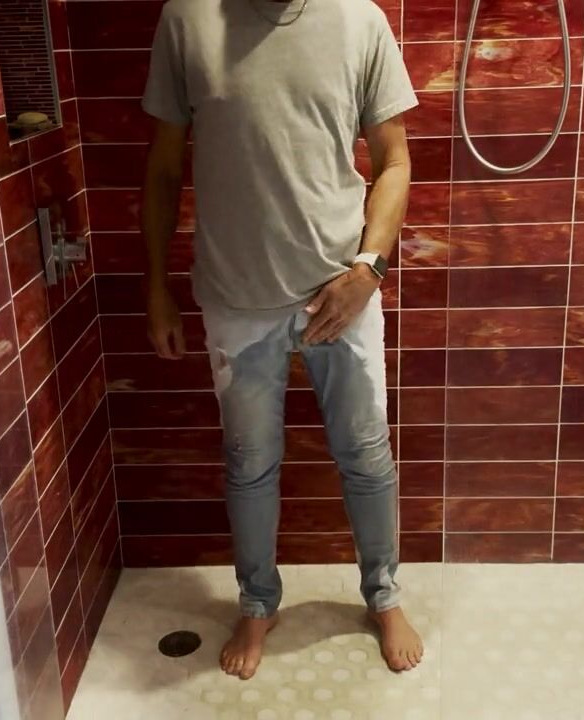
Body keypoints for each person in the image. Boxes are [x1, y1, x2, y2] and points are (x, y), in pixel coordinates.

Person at [140, 0, 421, 681]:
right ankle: (257, 602)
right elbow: (164, 167)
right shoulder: (187, 20)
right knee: (249, 462)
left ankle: (383, 596)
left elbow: (394, 160)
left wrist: (369, 270)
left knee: (366, 455)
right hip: (237, 296)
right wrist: (156, 287)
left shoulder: (360, 20)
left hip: (343, 290)